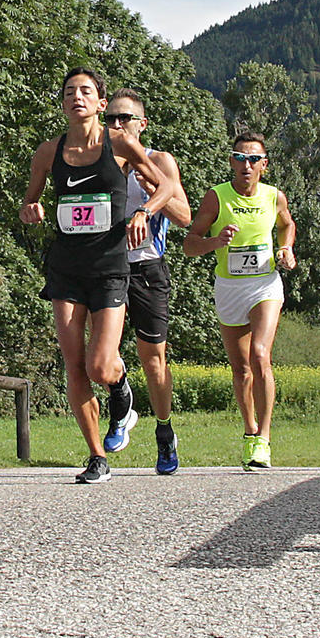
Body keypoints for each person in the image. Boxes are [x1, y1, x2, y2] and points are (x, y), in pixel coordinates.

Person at [22, 69, 163, 484]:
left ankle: (120, 391)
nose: (76, 97)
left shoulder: (120, 143)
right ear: (63, 103)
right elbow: (29, 201)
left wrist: (144, 211)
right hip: (66, 267)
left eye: (86, 91)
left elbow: (167, 186)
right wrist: (31, 210)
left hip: (109, 269)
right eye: (69, 92)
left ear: (101, 104)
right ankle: (96, 455)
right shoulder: (48, 152)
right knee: (74, 364)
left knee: (100, 365)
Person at [183, 131, 297, 469]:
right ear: (231, 162)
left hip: (265, 284)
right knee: (241, 367)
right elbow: (190, 245)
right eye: (238, 157)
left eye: (252, 159)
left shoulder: (274, 196)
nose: (245, 165)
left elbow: (287, 225)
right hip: (229, 287)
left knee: (261, 355)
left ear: (264, 165)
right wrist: (216, 241)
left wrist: (286, 248)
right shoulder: (216, 198)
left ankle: (265, 437)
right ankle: (249, 433)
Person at [107, 90, 191, 475]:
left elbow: (185, 216)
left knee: (153, 360)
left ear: (141, 124)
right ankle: (121, 402)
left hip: (149, 268)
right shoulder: (98, 161)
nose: (116, 125)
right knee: (103, 355)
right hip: (108, 269)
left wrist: (152, 192)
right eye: (110, 118)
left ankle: (164, 429)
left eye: (124, 118)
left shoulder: (158, 160)